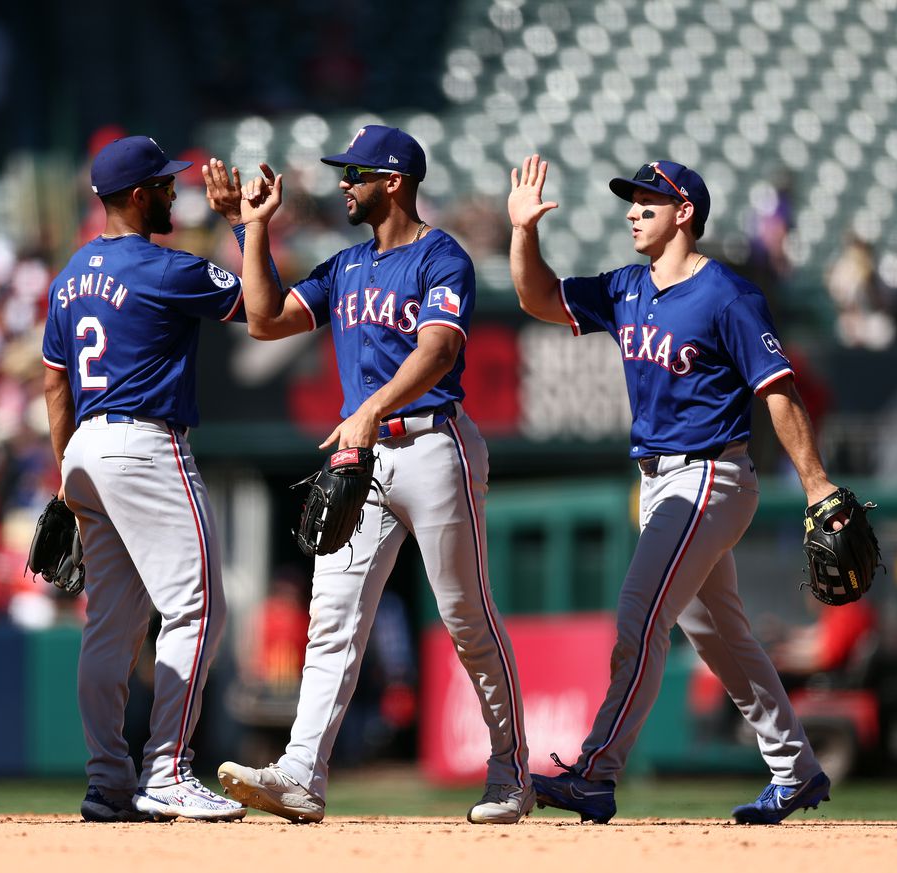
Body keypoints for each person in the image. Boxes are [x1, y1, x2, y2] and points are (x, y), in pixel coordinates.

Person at [205, 125, 532, 824]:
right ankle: (301, 772)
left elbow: (439, 351)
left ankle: (509, 769)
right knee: (331, 619)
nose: (343, 184)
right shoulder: (344, 265)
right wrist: (250, 228)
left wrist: (372, 408)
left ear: (394, 181)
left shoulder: (442, 257)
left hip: (434, 445)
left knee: (465, 617)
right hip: (364, 458)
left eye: (356, 173)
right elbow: (264, 319)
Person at [506, 154, 837, 825]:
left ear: (684, 212)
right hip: (658, 481)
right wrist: (523, 233)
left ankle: (598, 772)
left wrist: (818, 484)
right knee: (722, 636)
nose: (632, 210)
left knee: (639, 615)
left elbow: (779, 390)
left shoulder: (726, 294)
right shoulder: (627, 286)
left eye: (647, 202)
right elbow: (537, 299)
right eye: (631, 200)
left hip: (711, 472)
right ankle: (795, 767)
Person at [41, 135, 247, 823]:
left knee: (111, 625)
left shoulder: (69, 276)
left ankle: (107, 779)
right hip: (145, 442)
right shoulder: (164, 267)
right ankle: (167, 769)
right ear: (136, 195)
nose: (173, 192)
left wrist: (67, 472)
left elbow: (52, 380)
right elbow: (262, 308)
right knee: (200, 606)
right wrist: (245, 225)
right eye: (163, 184)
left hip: (86, 447)